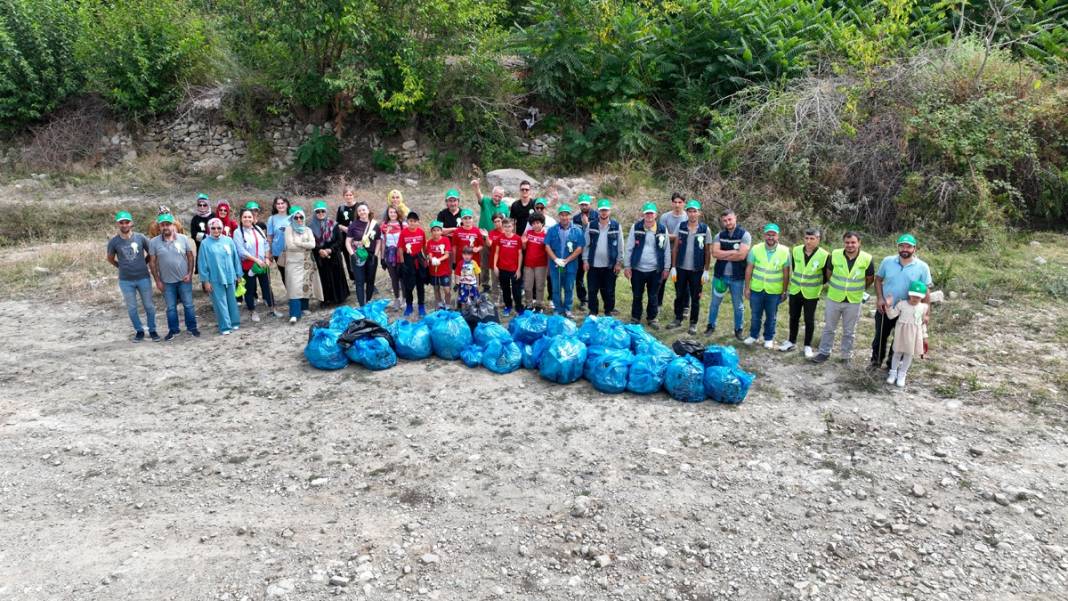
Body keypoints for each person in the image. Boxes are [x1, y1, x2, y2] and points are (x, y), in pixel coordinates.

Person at [872, 233, 933, 370]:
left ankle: (891, 367)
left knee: (900, 340)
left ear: (914, 248)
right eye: (902, 246)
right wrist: (880, 298)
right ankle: (875, 362)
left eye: (908, 247)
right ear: (898, 247)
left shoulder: (922, 267)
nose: (905, 249)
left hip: (908, 310)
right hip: (886, 307)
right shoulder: (887, 261)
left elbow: (926, 291)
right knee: (880, 337)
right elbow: (878, 279)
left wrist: (927, 312)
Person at [812, 232, 874, 363]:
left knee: (849, 331)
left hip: (854, 300)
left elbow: (869, 279)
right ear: (843, 242)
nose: (850, 245)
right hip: (834, 297)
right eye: (847, 242)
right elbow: (828, 273)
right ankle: (824, 352)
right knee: (829, 328)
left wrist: (858, 289)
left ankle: (846, 356)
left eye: (853, 242)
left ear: (859, 243)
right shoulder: (835, 254)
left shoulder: (867, 258)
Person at [107, 210, 158, 342]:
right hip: (126, 280)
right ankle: (139, 331)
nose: (124, 225)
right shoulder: (114, 242)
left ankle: (152, 330)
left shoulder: (140, 238)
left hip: (143, 278)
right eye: (121, 223)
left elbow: (151, 253)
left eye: (127, 222)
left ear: (131, 223)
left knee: (149, 306)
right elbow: (110, 258)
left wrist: (144, 263)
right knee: (132, 308)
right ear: (118, 224)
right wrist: (121, 266)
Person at [149, 213, 199, 340]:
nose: (165, 227)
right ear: (159, 227)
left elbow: (190, 256)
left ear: (173, 225)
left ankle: (192, 328)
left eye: (168, 224)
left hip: (184, 279)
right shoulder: (154, 242)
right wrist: (158, 281)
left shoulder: (183, 238)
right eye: (162, 225)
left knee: (188, 305)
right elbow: (152, 263)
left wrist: (189, 273)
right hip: (166, 282)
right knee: (171, 308)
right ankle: (173, 330)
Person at [781, 228, 829, 357]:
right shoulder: (796, 250)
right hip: (796, 290)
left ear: (818, 239)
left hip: (811, 293)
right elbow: (796, 269)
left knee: (809, 319)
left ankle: (807, 345)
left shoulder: (824, 255)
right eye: (806, 238)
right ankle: (791, 341)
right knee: (793, 317)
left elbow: (825, 275)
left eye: (812, 239)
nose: (808, 241)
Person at [623, 202, 670, 329]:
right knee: (637, 295)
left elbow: (666, 249)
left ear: (656, 215)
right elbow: (629, 248)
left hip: (655, 270)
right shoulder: (636, 227)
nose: (649, 215)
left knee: (653, 295)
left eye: (651, 213)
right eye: (647, 213)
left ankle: (652, 318)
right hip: (637, 269)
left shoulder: (662, 229)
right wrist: (627, 266)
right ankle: (635, 317)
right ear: (643, 214)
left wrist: (666, 268)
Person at [743, 223, 791, 348]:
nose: (770, 237)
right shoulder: (756, 249)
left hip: (774, 291)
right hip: (757, 289)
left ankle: (768, 338)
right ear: (764, 235)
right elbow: (749, 269)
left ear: (778, 236)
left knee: (771, 316)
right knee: (755, 315)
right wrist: (747, 287)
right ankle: (753, 336)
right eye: (768, 234)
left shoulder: (785, 251)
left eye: (773, 235)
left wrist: (784, 291)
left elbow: (786, 273)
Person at [706, 209, 751, 340]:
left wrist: (724, 253)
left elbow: (742, 256)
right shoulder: (719, 235)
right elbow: (715, 253)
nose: (727, 222)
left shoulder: (744, 235)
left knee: (738, 305)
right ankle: (711, 326)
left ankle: (738, 329)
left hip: (738, 278)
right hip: (720, 276)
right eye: (725, 220)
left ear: (735, 218)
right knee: (714, 303)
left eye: (730, 219)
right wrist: (733, 252)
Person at [669, 200, 710, 335]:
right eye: (690, 211)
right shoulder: (681, 226)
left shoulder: (705, 229)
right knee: (679, 295)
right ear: (686, 212)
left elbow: (707, 251)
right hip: (681, 268)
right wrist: (673, 267)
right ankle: (678, 318)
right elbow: (675, 248)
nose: (692, 214)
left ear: (699, 213)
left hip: (697, 270)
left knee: (695, 297)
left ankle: (693, 323)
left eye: (694, 211)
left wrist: (706, 270)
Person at [197, 217, 243, 335]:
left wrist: (238, 274)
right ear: (209, 229)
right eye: (213, 228)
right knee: (220, 303)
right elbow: (202, 263)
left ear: (222, 228)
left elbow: (235, 258)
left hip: (230, 276)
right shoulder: (205, 243)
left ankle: (234, 322)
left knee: (232, 301)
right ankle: (225, 326)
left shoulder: (228, 240)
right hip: (215, 278)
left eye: (218, 228)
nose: (216, 230)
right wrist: (205, 281)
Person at [233, 207, 280, 322]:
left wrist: (267, 258)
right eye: (245, 217)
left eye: (249, 217)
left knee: (267, 286)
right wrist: (256, 260)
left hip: (263, 263)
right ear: (241, 218)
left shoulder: (258, 229)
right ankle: (252, 311)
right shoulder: (238, 232)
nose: (247, 219)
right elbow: (241, 251)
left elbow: (265, 244)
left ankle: (272, 308)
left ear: (253, 218)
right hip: (248, 265)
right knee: (249, 289)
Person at [582, 198, 623, 316]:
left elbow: (620, 245)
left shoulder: (616, 226)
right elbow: (586, 245)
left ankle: (608, 312)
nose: (603, 213)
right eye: (601, 210)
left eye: (606, 210)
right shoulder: (591, 225)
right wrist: (585, 260)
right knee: (592, 290)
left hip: (610, 266)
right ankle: (593, 312)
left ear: (609, 211)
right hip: (593, 265)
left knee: (609, 291)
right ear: (598, 212)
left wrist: (619, 262)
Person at [884, 281, 929, 388]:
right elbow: (891, 315)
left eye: (918, 297)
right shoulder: (901, 304)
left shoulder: (923, 307)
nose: (915, 298)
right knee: (897, 352)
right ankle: (893, 373)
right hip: (901, 333)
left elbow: (922, 324)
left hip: (914, 334)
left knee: (909, 354)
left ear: (922, 297)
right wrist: (889, 305)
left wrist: (924, 336)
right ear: (909, 294)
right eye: (913, 296)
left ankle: (902, 374)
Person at [545, 204, 585, 317]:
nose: (564, 217)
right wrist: (555, 259)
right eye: (562, 215)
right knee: (556, 288)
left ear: (570, 216)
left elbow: (579, 248)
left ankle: (567, 309)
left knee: (569, 287)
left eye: (566, 215)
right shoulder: (552, 230)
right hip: (556, 266)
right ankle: (558, 309)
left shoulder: (577, 230)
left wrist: (566, 260)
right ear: (559, 216)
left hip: (570, 265)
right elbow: (547, 246)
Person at [282, 206, 319, 323]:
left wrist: (298, 243)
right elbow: (290, 245)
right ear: (292, 218)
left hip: (306, 262)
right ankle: (294, 313)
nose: (299, 219)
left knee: (305, 284)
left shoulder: (308, 230)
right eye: (296, 217)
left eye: (301, 217)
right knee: (294, 287)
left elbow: (313, 244)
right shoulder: (289, 229)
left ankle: (304, 307)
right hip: (293, 262)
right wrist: (304, 244)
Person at [472, 179, 507, 294]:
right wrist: (477, 186)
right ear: (492, 194)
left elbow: (507, 222)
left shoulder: (505, 207)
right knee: (485, 263)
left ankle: (500, 285)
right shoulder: (486, 201)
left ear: (502, 197)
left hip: (500, 239)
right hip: (485, 238)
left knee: (499, 263)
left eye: (500, 196)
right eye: (496, 195)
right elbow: (479, 195)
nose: (497, 198)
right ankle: (486, 284)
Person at [657, 193, 687, 310]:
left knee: (682, 282)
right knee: (661, 280)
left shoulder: (687, 217)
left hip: (681, 254)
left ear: (684, 203)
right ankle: (658, 304)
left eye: (680, 202)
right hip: (666, 252)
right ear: (671, 203)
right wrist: (678, 236)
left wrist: (672, 235)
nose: (677, 205)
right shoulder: (665, 217)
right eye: (675, 202)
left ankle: (684, 306)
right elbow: (662, 235)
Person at [344, 203, 379, 306]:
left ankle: (368, 302)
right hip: (358, 255)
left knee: (370, 280)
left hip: (371, 255)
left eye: (364, 210)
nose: (362, 212)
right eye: (359, 211)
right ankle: (361, 305)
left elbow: (378, 241)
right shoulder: (353, 225)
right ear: (357, 213)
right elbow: (348, 242)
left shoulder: (375, 225)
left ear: (368, 211)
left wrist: (375, 256)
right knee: (359, 281)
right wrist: (352, 254)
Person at [398, 211, 428, 317]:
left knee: (420, 285)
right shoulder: (404, 233)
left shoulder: (421, 232)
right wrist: (402, 263)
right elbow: (400, 248)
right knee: (408, 285)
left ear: (417, 222)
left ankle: (421, 306)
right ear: (407, 222)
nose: (412, 223)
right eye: (410, 221)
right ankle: (409, 305)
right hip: (408, 260)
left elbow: (424, 246)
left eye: (414, 221)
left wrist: (426, 258)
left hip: (418, 259)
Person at [493, 218, 524, 315]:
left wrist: (519, 270)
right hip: (502, 268)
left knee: (516, 290)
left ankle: (519, 307)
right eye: (505, 226)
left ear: (513, 227)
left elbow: (520, 254)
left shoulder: (517, 238)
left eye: (509, 226)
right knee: (505, 289)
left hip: (514, 269)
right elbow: (496, 253)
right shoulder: (500, 238)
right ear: (503, 227)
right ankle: (508, 306)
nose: (507, 228)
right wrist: (495, 266)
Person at [379, 205, 405, 309]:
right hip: (389, 254)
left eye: (395, 212)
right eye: (391, 212)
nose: (393, 214)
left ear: (398, 213)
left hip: (401, 254)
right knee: (394, 278)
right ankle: (397, 299)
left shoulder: (403, 225)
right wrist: (382, 258)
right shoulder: (384, 226)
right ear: (388, 213)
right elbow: (383, 242)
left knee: (403, 277)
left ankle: (405, 299)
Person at [522, 212, 549, 313]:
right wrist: (524, 243)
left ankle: (539, 305)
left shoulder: (546, 234)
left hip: (541, 265)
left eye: (538, 223)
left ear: (542, 223)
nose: (535, 225)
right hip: (528, 264)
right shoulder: (528, 233)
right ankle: (529, 304)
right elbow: (524, 248)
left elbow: (548, 250)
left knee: (540, 286)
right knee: (527, 286)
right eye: (533, 223)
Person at [451, 208, 485, 282]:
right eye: (465, 218)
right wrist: (454, 261)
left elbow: (481, 245)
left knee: (475, 282)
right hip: (460, 261)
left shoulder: (476, 231)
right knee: (462, 282)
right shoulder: (457, 231)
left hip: (474, 261)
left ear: (472, 219)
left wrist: (478, 249)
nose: (467, 220)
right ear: (461, 220)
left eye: (469, 218)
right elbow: (454, 247)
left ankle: (476, 293)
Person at [426, 220, 453, 309]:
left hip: (444, 270)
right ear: (431, 232)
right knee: (436, 288)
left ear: (441, 231)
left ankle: (448, 304)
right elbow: (429, 254)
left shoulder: (446, 240)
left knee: (446, 289)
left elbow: (447, 254)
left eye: (438, 230)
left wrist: (439, 259)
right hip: (433, 270)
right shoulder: (429, 242)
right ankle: (439, 303)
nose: (436, 232)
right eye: (434, 230)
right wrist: (432, 259)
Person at [336, 186, 360, 282]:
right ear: (343, 196)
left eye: (350, 195)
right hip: (346, 238)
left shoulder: (359, 206)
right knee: (349, 257)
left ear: (354, 195)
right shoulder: (341, 208)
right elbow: (337, 223)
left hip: (359, 237)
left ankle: (365, 278)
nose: (349, 197)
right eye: (346, 195)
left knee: (361, 256)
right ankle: (354, 278)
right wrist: (344, 228)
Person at [574, 193, 593, 308]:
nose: (584, 207)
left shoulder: (597, 215)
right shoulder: (576, 218)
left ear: (590, 204)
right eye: (582, 205)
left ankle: (593, 299)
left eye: (586, 204)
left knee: (593, 277)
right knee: (579, 276)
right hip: (580, 251)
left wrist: (587, 225)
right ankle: (583, 300)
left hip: (593, 251)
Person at [266, 196, 290, 281]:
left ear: (286, 204)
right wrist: (269, 253)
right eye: (278, 204)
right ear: (275, 206)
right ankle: (289, 293)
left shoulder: (293, 217)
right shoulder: (272, 219)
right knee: (284, 276)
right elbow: (269, 237)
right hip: (278, 252)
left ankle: (295, 294)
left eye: (282, 203)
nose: (280, 205)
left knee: (293, 276)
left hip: (291, 251)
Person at [190, 193, 213, 273]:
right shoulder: (195, 219)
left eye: (205, 205)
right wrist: (206, 237)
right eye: (200, 205)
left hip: (214, 250)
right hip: (201, 250)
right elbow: (193, 234)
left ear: (208, 205)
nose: (202, 207)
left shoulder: (214, 216)